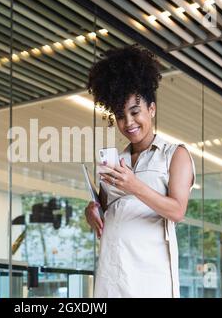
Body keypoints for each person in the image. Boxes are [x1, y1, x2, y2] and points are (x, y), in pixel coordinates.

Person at [84, 46, 195, 298]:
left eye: (135, 112)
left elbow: (177, 211)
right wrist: (91, 212)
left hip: (150, 276)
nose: (129, 123)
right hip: (113, 272)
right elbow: (104, 209)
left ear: (151, 109)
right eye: (121, 117)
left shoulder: (175, 154)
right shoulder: (113, 162)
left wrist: (134, 186)